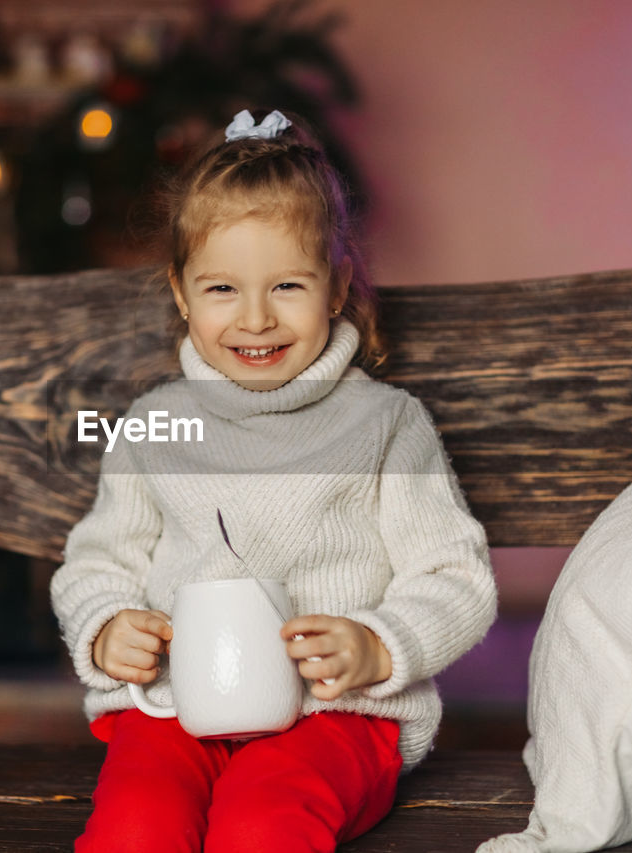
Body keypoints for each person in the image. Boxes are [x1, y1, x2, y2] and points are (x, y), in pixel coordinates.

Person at [50, 108, 498, 852]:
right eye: (222, 289)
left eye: (287, 284)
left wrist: (379, 645)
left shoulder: (386, 425)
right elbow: (97, 561)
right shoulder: (155, 425)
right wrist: (106, 628)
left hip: (338, 717)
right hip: (176, 711)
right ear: (181, 293)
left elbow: (456, 574)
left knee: (262, 825)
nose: (255, 319)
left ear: (335, 285)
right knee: (135, 826)